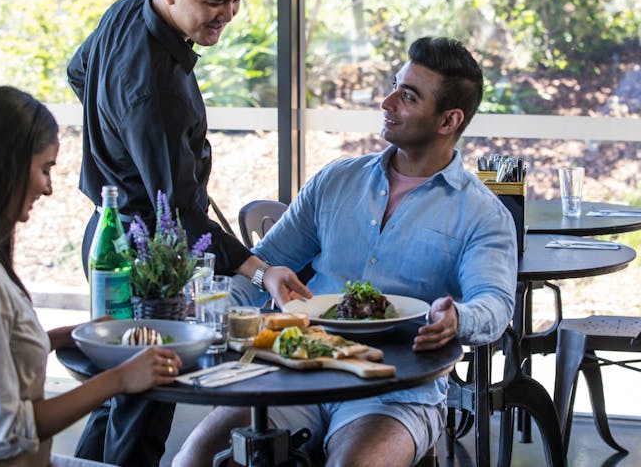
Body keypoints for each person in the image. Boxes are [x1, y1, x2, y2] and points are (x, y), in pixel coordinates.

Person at [173, 36, 518, 467]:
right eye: (394, 85)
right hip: (296, 371)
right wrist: (200, 310)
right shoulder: (335, 181)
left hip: (395, 394)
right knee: (194, 459)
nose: (386, 101)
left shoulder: (483, 213)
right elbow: (266, 263)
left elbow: (497, 303)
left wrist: (457, 319)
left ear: (449, 120)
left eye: (407, 96)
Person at [67, 0, 309, 465]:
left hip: (106, 236)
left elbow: (77, 70)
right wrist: (258, 267)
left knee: (115, 397)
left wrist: (114, 132)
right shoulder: (155, 91)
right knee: (143, 410)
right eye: (216, 1)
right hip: (145, 259)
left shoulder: (128, 9)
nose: (228, 14)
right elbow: (174, 216)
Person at [0, 86, 183, 467]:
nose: (48, 187)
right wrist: (118, 380)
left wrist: (63, 336)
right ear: (7, 165)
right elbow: (8, 436)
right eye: (45, 168)